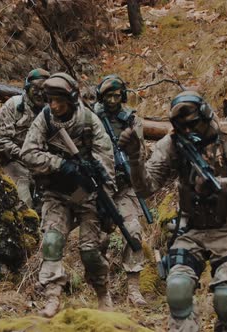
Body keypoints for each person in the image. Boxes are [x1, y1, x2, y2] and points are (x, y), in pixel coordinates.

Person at [119, 90, 227, 331]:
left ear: (204, 117)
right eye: (182, 127)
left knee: (225, 300)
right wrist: (134, 159)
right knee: (178, 290)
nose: (189, 132)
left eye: (193, 125)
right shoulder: (172, 144)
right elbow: (145, 187)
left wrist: (217, 185)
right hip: (191, 228)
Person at [20, 72, 116, 318]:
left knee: (90, 252)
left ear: (72, 99)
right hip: (57, 192)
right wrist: (59, 165)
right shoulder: (45, 119)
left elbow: (106, 163)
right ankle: (52, 296)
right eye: (50, 99)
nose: (53, 105)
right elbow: (28, 152)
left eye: (58, 100)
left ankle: (103, 292)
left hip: (87, 195)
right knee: (52, 242)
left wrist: (107, 201)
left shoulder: (89, 121)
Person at [93, 74, 147, 306]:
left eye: (118, 95)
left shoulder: (132, 120)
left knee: (133, 232)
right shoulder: (90, 118)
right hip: (99, 188)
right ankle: (101, 290)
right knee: (99, 239)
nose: (113, 100)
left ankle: (134, 289)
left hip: (125, 187)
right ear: (101, 96)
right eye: (109, 95)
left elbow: (141, 152)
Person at [0, 68, 50, 208]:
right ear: (27, 88)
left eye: (44, 89)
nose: (39, 93)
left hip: (40, 166)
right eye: (35, 88)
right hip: (12, 162)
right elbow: (1, 141)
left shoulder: (51, 112)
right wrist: (25, 156)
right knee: (24, 202)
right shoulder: (14, 105)